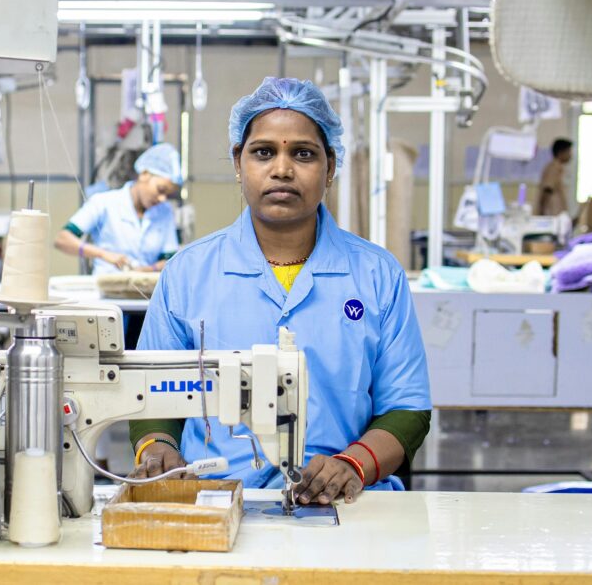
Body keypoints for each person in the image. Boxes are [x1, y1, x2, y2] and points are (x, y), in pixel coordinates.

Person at [129, 77, 431, 506]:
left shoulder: (377, 275)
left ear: (330, 167)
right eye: (264, 152)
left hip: (345, 500)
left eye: (303, 154)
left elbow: (408, 407)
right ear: (239, 163)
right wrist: (157, 447)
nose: (282, 169)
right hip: (215, 495)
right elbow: (152, 392)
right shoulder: (188, 274)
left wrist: (352, 464)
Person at [55, 143, 182, 274]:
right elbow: (62, 239)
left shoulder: (164, 211)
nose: (162, 198)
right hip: (106, 289)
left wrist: (146, 270)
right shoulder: (104, 203)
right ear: (144, 174)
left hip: (146, 291)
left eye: (167, 194)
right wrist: (103, 254)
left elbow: (169, 260)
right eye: (161, 190)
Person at [537, 138, 573, 216]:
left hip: (558, 213)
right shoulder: (553, 168)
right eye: (569, 152)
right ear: (561, 152)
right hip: (551, 213)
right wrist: (542, 213)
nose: (571, 155)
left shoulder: (560, 168)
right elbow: (547, 189)